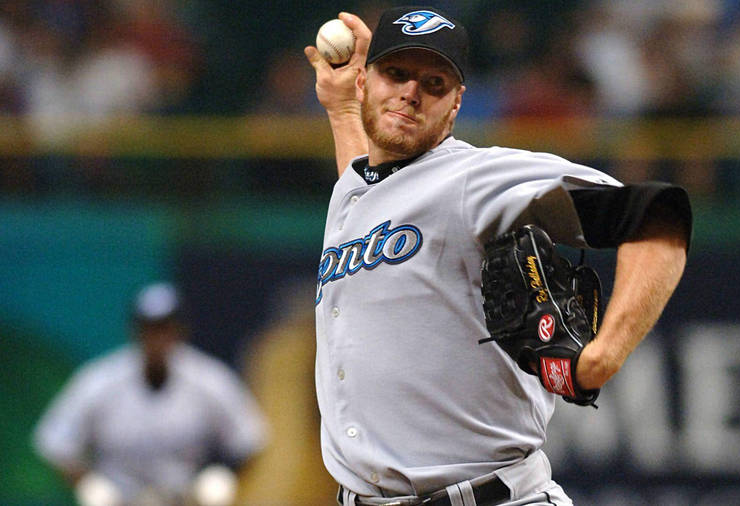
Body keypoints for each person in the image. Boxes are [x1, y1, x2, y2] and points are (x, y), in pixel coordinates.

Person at [304, 6, 691, 505]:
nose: (411, 92)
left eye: (434, 82)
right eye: (396, 74)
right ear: (365, 83)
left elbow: (657, 216)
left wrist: (602, 357)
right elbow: (371, 190)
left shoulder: (475, 180)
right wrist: (340, 111)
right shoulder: (356, 191)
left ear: (456, 102)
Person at [33, 281, 267, 506]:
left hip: (185, 499)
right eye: (150, 328)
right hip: (121, 499)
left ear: (179, 330)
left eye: (164, 327)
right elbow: (55, 442)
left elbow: (250, 439)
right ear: (135, 330)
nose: (157, 337)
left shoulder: (208, 378)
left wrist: (221, 477)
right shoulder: (101, 379)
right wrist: (88, 484)